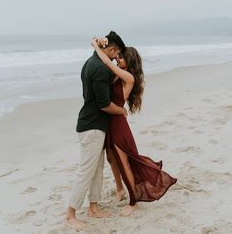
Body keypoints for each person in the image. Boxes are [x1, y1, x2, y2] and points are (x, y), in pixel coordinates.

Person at [92, 37, 177, 217]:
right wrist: (100, 44)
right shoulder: (117, 75)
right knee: (111, 158)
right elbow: (106, 63)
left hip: (118, 125)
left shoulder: (128, 77)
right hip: (110, 121)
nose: (118, 59)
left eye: (122, 57)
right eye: (118, 56)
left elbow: (106, 61)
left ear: (130, 61)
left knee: (125, 162)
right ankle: (120, 189)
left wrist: (94, 45)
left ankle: (133, 201)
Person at [66, 31, 127, 230]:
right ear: (110, 49)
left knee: (97, 169)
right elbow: (104, 104)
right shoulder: (101, 69)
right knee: (86, 171)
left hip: (92, 124)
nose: (117, 56)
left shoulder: (89, 62)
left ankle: (93, 207)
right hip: (92, 126)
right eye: (116, 52)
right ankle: (70, 214)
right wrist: (121, 110)